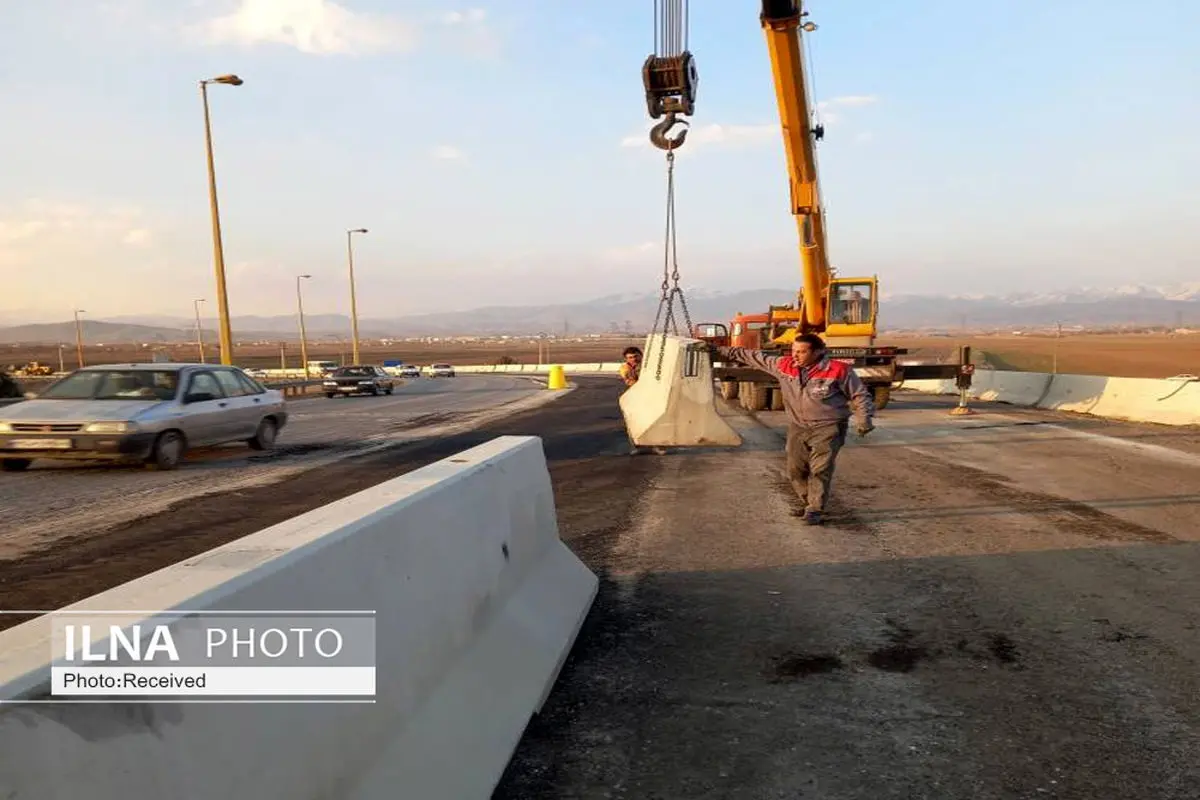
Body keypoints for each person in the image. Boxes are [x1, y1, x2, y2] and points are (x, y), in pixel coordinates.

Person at [714, 333, 875, 525]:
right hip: (798, 426)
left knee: (820, 469)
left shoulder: (838, 370)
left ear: (818, 352)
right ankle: (808, 501)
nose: (796, 355)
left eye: (802, 351)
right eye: (794, 351)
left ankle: (815, 509)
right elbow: (752, 356)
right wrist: (718, 350)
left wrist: (864, 419)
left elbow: (859, 395)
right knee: (795, 470)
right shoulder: (784, 365)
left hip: (829, 426)